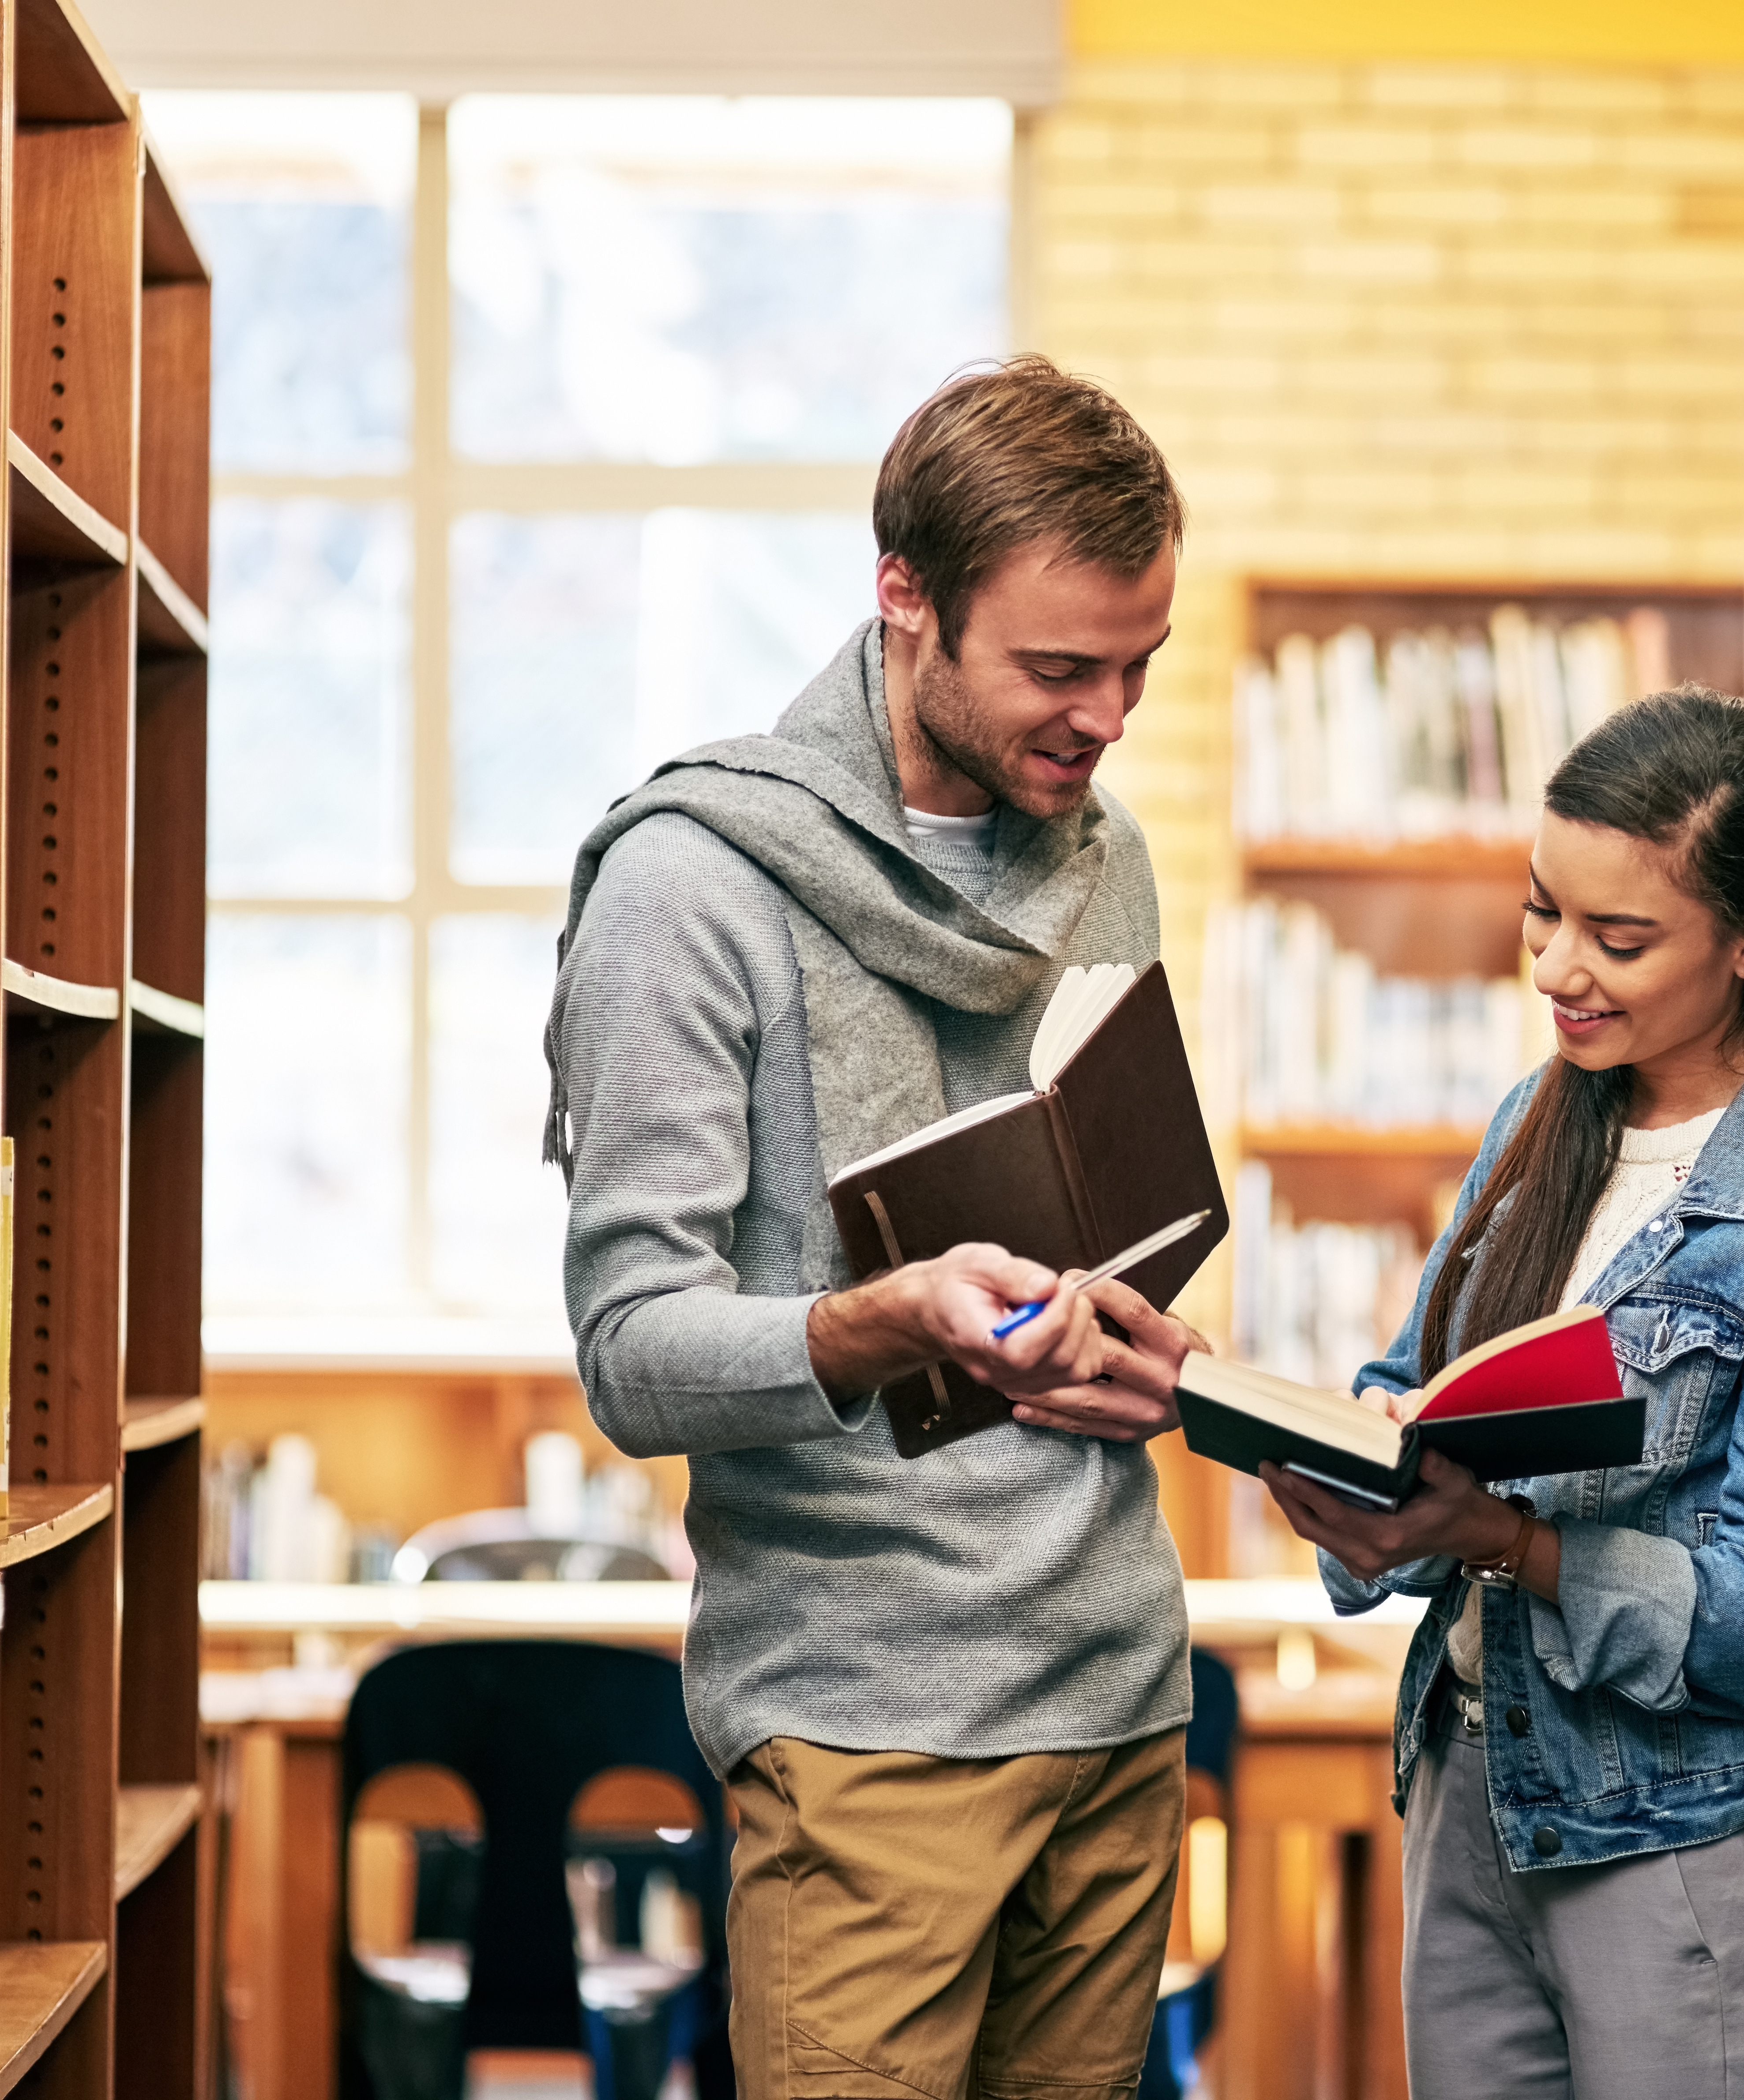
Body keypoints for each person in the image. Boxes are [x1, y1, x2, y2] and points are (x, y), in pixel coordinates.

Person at [544, 356, 1210, 2100]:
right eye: (1058, 670)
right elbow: (632, 1351)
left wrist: (1140, 1349)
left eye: (1138, 665)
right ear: (905, 597)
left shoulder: (1109, 858)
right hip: (865, 1728)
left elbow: (1109, 1222)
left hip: (1121, 1697)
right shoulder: (693, 884)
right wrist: (884, 1318)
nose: (1108, 717)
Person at [1263, 689, 1744, 2098]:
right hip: (1474, 1792)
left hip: (1688, 1851)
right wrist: (1353, 1463)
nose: (1558, 969)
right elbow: (1417, 1381)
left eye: (1620, 939)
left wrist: (1506, 1542)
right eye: (1543, 912)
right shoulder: (1541, 1121)